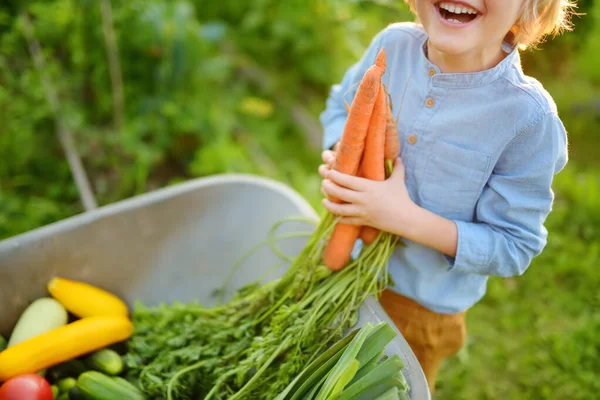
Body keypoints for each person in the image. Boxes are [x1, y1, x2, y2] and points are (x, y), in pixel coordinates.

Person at [318, 0, 576, 394]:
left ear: (532, 6)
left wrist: (399, 217)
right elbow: (342, 104)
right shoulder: (393, 45)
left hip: (418, 310)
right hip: (340, 262)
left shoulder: (528, 119)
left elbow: (513, 245)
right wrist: (343, 151)